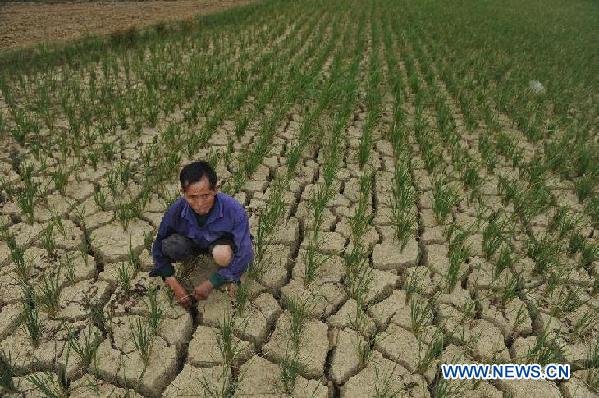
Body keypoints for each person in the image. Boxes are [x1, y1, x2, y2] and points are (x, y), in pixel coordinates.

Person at [149, 161, 253, 308]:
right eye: (192, 197)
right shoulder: (176, 210)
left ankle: (228, 274)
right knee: (171, 245)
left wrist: (212, 283)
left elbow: (245, 253)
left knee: (222, 254)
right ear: (183, 193)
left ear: (216, 189)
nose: (199, 203)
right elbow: (158, 245)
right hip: (192, 243)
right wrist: (172, 282)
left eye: (205, 196)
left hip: (218, 244)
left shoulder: (234, 211)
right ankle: (189, 259)